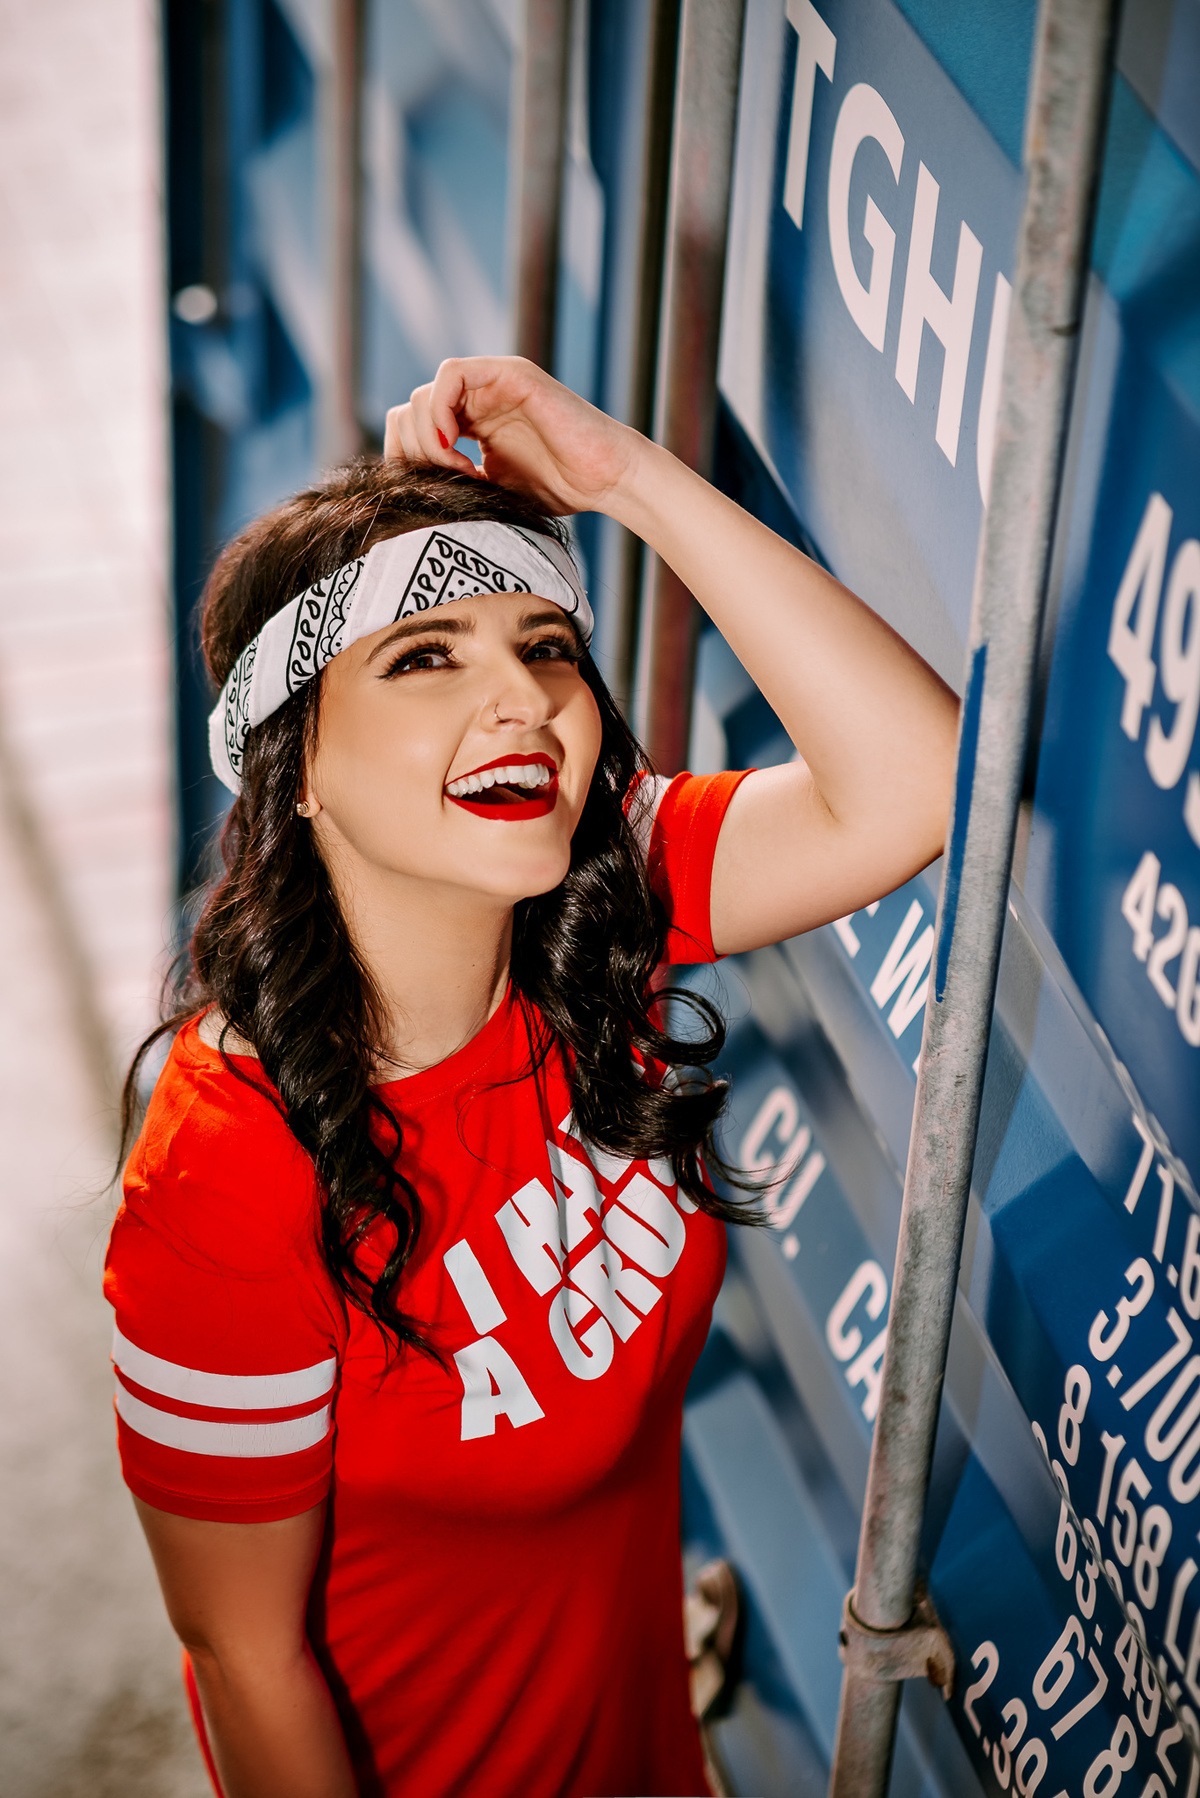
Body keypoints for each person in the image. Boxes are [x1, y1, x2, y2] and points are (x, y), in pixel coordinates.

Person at [105, 356, 957, 1798]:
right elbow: (246, 1662)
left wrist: (625, 477)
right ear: (293, 767)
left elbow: (920, 783)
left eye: (548, 645)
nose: (523, 698)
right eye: (423, 656)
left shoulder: (594, 910)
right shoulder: (224, 1175)